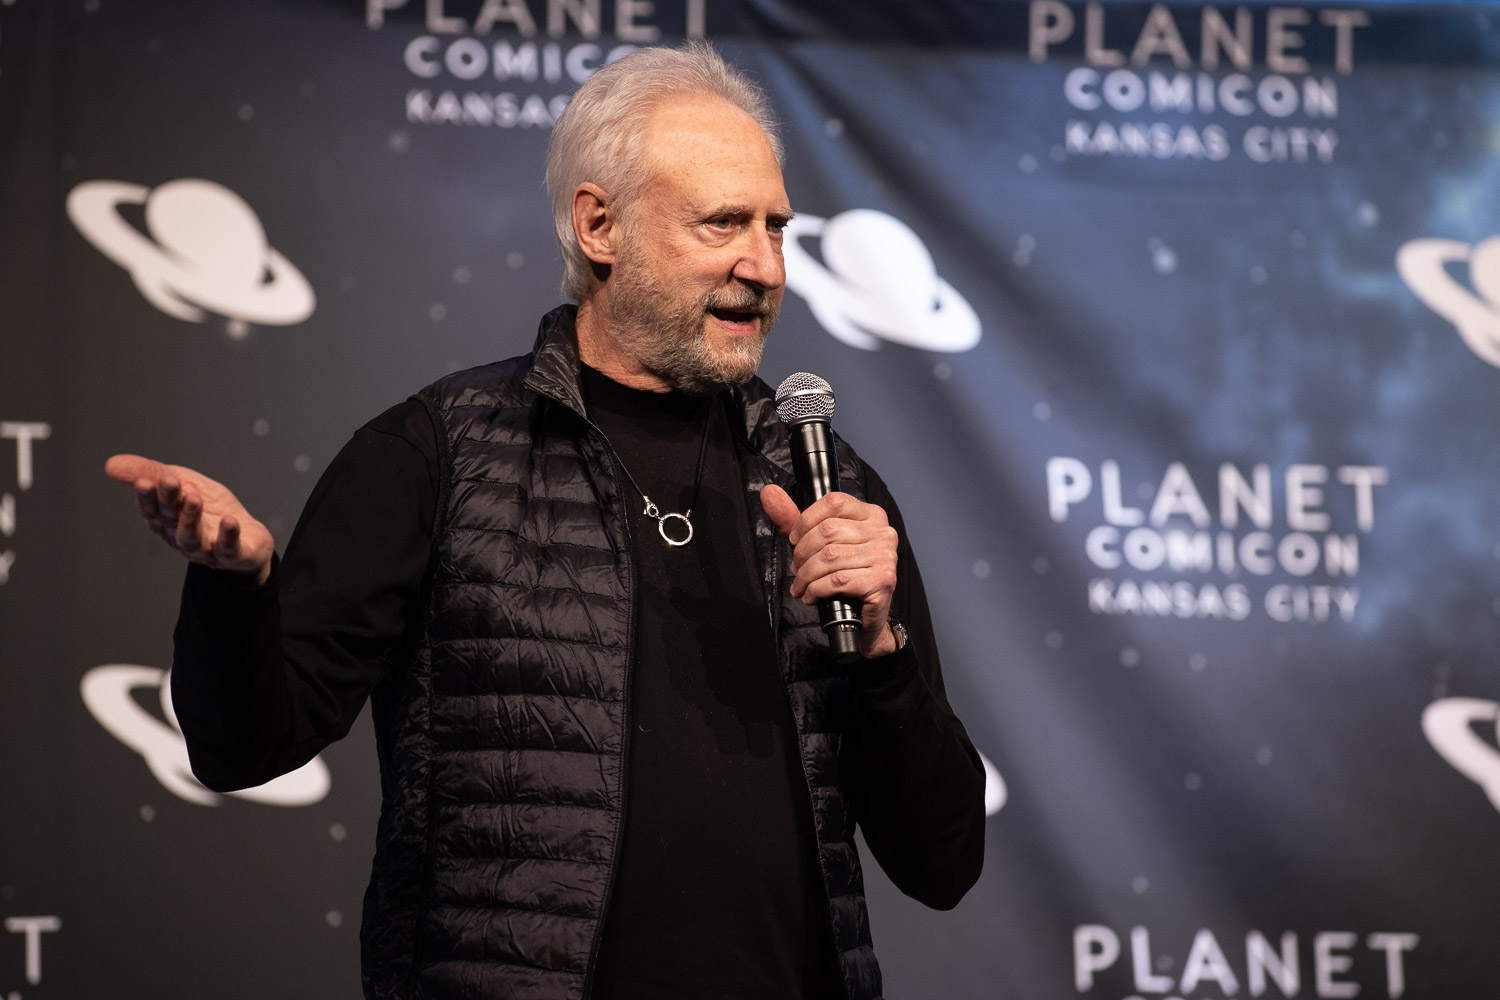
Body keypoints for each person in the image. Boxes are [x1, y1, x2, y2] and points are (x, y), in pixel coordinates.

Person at [106, 42, 985, 1000]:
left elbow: (943, 863)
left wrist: (882, 647)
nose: (765, 265)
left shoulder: (833, 488)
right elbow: (243, 746)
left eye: (777, 227)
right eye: (724, 223)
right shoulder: (435, 453)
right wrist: (238, 592)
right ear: (600, 225)